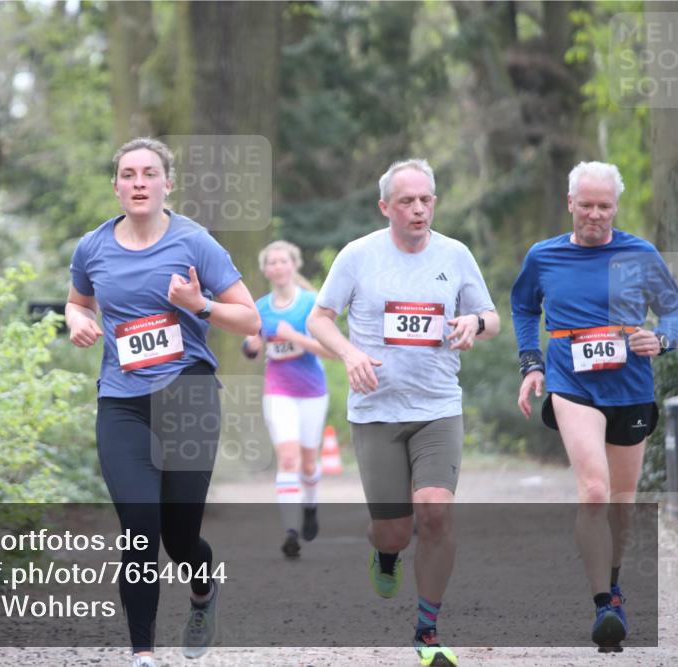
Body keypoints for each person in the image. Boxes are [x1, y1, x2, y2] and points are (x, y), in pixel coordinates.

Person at [66, 138, 261, 667]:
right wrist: (78, 321)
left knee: (179, 536)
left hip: (188, 393)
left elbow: (250, 319)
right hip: (122, 401)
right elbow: (78, 301)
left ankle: (202, 593)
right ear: (116, 186)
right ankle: (143, 652)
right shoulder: (92, 247)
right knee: (139, 525)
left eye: (149, 173)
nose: (138, 182)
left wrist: (199, 304)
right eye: (128, 174)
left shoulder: (195, 243)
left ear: (167, 183)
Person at [307, 158, 499, 667]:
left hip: (437, 406)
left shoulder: (455, 254)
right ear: (385, 207)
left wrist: (473, 324)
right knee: (393, 528)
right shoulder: (358, 256)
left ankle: (428, 631)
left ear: (434, 201)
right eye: (407, 202)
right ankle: (387, 553)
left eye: (426, 200)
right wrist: (348, 354)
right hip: (376, 411)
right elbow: (319, 318)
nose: (418, 209)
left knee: (435, 510)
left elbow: (492, 317)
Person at [511, 161, 677, 651]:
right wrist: (532, 363)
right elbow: (524, 306)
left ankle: (616, 583)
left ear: (616, 208)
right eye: (586, 205)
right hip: (571, 382)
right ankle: (604, 603)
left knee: (623, 505)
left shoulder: (640, 254)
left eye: (605, 206)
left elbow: (672, 309)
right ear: (570, 204)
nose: (595, 215)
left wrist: (662, 339)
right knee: (594, 491)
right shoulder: (544, 257)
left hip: (630, 387)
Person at [243, 240, 334, 558]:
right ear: (266, 269)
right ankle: (291, 530)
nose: (278, 267)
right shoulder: (260, 306)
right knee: (289, 459)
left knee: (309, 463)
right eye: (272, 262)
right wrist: (252, 347)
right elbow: (251, 346)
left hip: (311, 390)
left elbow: (332, 351)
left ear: (294, 265)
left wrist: (295, 337)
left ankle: (310, 506)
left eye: (284, 261)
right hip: (278, 391)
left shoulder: (312, 303)